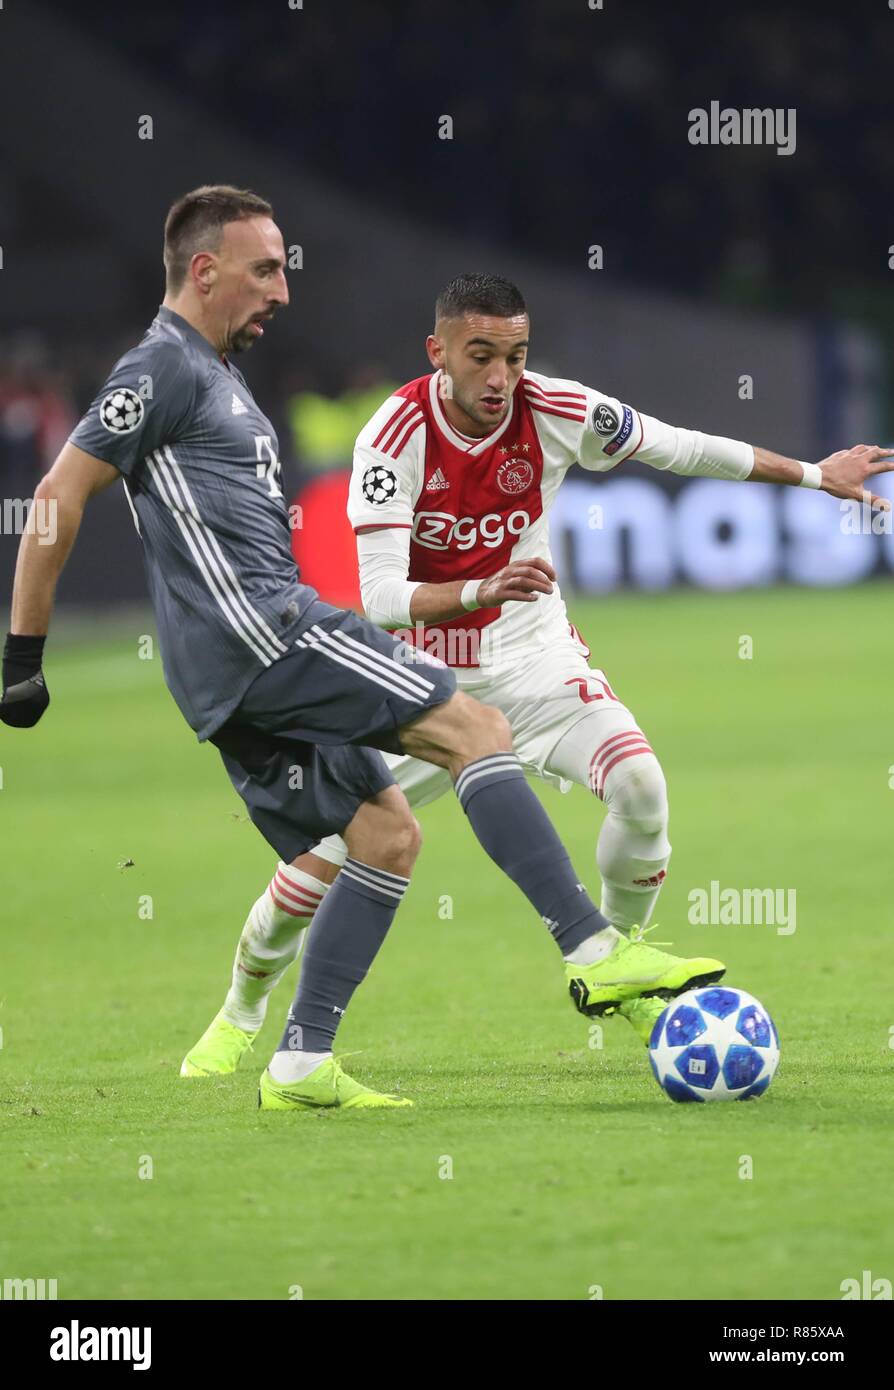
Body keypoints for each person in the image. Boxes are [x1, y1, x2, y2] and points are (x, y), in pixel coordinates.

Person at [1, 192, 726, 1113]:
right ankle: (594, 950)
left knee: (384, 834)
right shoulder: (162, 368)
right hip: (264, 631)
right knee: (474, 726)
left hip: (228, 665)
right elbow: (59, 492)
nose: (283, 292)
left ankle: (302, 1060)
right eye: (266, 269)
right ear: (204, 268)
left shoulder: (214, 372)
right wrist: (22, 654)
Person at [180, 270, 894, 1080]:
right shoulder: (393, 434)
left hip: (534, 661)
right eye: (480, 356)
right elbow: (378, 600)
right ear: (438, 351)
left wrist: (812, 474)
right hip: (416, 688)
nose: (500, 377)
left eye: (516, 356)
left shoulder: (556, 410)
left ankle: (614, 972)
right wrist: (483, 585)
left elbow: (681, 446)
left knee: (641, 788)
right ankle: (240, 1011)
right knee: (315, 862)